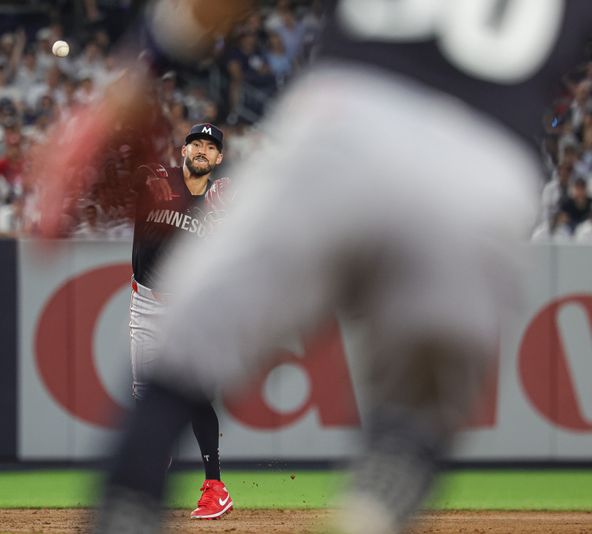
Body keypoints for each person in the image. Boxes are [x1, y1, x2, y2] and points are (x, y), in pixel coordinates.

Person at [93, 1, 592, 534]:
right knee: (412, 422)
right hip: (491, 164)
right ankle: (377, 504)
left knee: (176, 371)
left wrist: (146, 61)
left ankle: (129, 509)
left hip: (350, 113)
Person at [127, 122, 234, 520]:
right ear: (183, 151)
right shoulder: (158, 179)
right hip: (146, 303)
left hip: (190, 307)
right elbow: (135, 173)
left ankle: (215, 486)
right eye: (196, 144)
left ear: (219, 158)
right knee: (145, 395)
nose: (202, 150)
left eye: (210, 146)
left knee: (193, 393)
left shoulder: (221, 201)